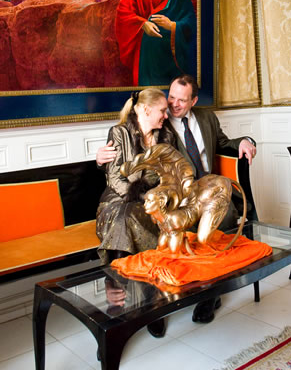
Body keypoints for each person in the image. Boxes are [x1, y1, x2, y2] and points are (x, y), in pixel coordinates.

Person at [97, 74, 257, 323]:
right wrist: (100, 159)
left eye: (181, 100)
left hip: (200, 189)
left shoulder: (204, 119)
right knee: (159, 222)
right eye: (170, 98)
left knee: (220, 221)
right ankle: (151, 297)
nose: (173, 105)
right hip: (174, 196)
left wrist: (246, 141)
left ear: (193, 101)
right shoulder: (161, 125)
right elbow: (123, 166)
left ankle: (210, 293)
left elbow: (223, 143)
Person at [96, 87, 175, 338]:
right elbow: (114, 179)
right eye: (162, 110)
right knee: (125, 215)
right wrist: (141, 198)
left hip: (152, 203)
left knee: (131, 218)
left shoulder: (166, 136)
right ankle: (147, 302)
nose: (166, 115)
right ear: (145, 109)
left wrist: (155, 199)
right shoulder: (119, 133)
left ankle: (121, 295)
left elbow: (169, 176)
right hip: (116, 202)